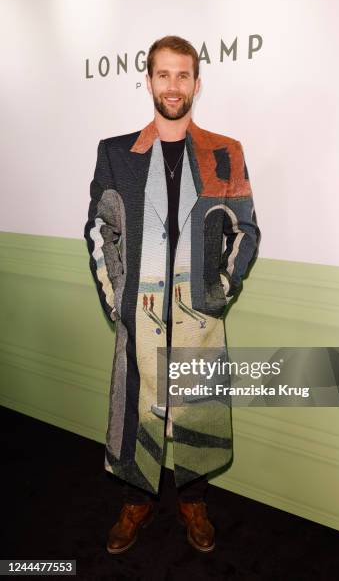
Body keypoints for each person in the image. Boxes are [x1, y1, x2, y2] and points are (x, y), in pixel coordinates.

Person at [84, 35, 261, 555]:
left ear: (197, 83)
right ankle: (135, 502)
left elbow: (245, 231)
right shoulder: (116, 153)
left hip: (197, 320)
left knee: (196, 412)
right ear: (149, 81)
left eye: (183, 75)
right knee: (138, 409)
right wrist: (117, 301)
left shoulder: (225, 153)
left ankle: (193, 502)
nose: (173, 86)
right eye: (164, 75)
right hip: (138, 319)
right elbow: (100, 231)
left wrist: (220, 291)